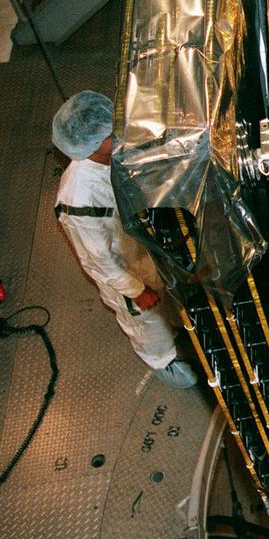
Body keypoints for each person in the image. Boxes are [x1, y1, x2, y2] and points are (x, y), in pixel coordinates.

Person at [52, 91, 197, 389]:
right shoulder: (79, 200)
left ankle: (176, 329)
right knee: (147, 322)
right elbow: (97, 259)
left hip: (141, 249)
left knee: (166, 300)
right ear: (91, 146)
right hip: (124, 273)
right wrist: (135, 290)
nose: (117, 135)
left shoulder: (109, 159)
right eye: (109, 135)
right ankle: (162, 360)